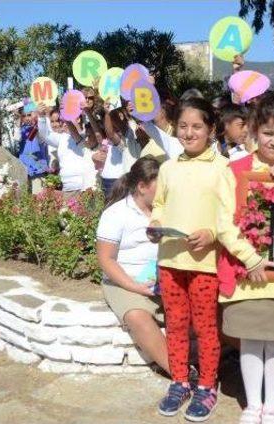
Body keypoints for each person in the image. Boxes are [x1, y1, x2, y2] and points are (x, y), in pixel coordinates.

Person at [216, 94, 274, 424]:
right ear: (253, 130)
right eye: (268, 133)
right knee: (250, 339)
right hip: (244, 271)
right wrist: (251, 259)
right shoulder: (234, 169)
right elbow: (224, 222)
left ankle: (272, 407)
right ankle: (253, 405)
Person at [147, 97, 225, 421]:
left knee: (205, 327)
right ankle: (180, 381)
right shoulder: (167, 168)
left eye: (197, 126)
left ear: (211, 129)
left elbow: (231, 215)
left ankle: (207, 387)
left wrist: (212, 233)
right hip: (170, 260)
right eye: (183, 126)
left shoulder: (222, 169)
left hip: (204, 264)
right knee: (176, 325)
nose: (189, 132)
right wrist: (154, 223)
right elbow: (159, 205)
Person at [96, 157, 169, 373]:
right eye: (161, 187)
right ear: (142, 187)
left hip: (162, 279)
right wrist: (134, 286)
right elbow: (106, 259)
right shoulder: (116, 214)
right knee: (137, 316)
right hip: (125, 283)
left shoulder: (166, 210)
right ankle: (180, 373)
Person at [36, 104, 97, 195]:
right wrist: (41, 117)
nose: (64, 123)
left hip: (86, 188)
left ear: (78, 119)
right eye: (63, 120)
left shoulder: (88, 136)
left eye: (67, 119)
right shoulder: (62, 138)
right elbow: (46, 135)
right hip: (67, 189)